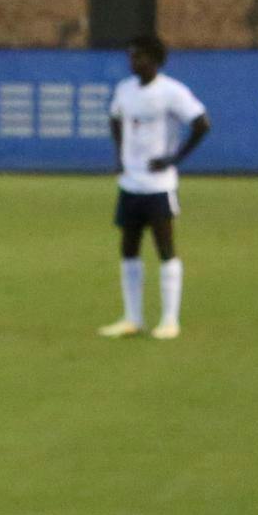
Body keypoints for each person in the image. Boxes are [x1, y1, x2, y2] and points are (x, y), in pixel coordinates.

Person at [100, 34, 210, 341]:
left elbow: (202, 123)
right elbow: (115, 119)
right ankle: (132, 318)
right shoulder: (125, 90)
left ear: (154, 59)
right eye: (131, 56)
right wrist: (120, 156)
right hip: (130, 184)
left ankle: (169, 320)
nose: (132, 62)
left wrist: (174, 159)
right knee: (128, 249)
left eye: (138, 57)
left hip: (158, 186)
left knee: (165, 249)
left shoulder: (172, 92)